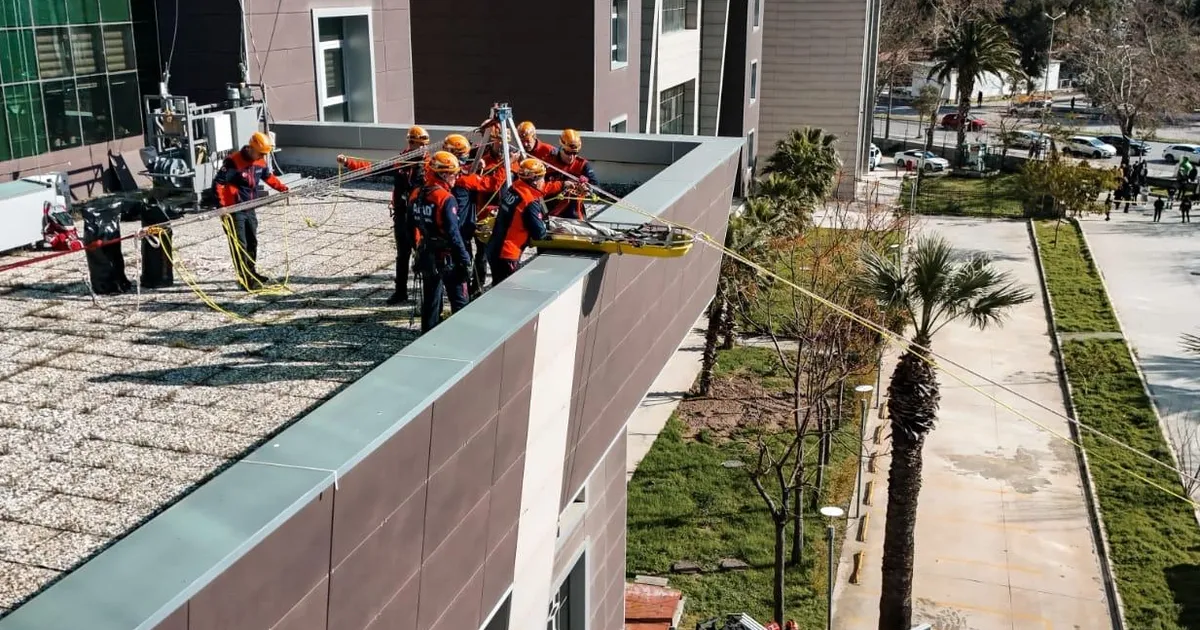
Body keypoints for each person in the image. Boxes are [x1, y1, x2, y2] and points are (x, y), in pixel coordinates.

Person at [337, 125, 431, 304]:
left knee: (424, 255)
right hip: (402, 215)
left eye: (424, 145)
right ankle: (400, 292)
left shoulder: (430, 164)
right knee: (402, 255)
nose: (422, 148)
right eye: (419, 145)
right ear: (411, 143)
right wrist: (348, 162)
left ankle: (429, 295)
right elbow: (373, 168)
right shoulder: (400, 162)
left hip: (421, 216)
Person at [213, 131, 289, 290]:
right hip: (234, 210)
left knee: (252, 242)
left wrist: (283, 189)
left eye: (264, 154)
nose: (262, 156)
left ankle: (252, 272)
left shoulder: (260, 161)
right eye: (260, 153)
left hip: (250, 207)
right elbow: (219, 183)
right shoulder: (233, 162)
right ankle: (245, 278)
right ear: (251, 148)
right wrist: (222, 207)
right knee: (240, 244)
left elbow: (268, 177)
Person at [409, 151, 472, 332]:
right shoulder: (446, 199)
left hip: (426, 253)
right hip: (447, 257)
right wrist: (465, 259)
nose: (456, 177)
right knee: (460, 301)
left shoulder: (416, 194)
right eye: (454, 174)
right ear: (444, 174)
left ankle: (427, 336)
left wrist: (418, 248)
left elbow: (409, 227)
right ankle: (461, 337)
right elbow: (453, 234)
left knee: (430, 301)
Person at [487, 158, 553, 284]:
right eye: (542, 178)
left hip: (494, 247)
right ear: (535, 181)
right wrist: (546, 228)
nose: (544, 182)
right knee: (509, 290)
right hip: (508, 253)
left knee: (497, 286)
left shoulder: (515, 187)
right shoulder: (529, 201)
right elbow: (539, 234)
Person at [545, 129, 599, 220]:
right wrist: (562, 185)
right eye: (568, 152)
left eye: (575, 153)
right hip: (551, 212)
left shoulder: (582, 165)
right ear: (561, 147)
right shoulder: (549, 163)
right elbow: (540, 187)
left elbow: (596, 187)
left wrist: (588, 188)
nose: (571, 157)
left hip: (574, 214)